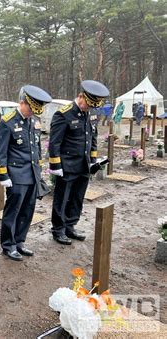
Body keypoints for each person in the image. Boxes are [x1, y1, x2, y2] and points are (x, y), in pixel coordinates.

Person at [0, 85, 52, 261]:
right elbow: (0, 152)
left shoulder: (34, 121)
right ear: (22, 103)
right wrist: (3, 176)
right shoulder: (7, 122)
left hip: (32, 175)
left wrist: (39, 172)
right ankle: (8, 245)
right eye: (31, 108)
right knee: (13, 211)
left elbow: (37, 148)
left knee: (27, 211)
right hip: (16, 176)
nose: (32, 113)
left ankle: (19, 241)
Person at [49, 80, 109, 245]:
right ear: (81, 96)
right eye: (87, 104)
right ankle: (58, 230)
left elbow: (93, 137)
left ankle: (70, 225)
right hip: (67, 165)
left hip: (83, 165)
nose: (88, 108)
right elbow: (54, 143)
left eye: (91, 106)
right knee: (62, 199)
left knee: (77, 198)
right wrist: (55, 166)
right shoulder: (64, 114)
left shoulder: (90, 114)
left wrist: (93, 160)